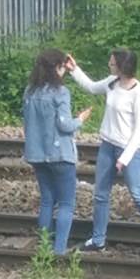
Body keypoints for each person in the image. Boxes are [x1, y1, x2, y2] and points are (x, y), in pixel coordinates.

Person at [64, 48, 140, 261]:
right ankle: (98, 239)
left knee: (138, 195)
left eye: (112, 64)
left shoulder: (139, 93)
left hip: (128, 150)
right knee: (101, 195)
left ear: (123, 67)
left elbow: (139, 131)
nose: (109, 66)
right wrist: (74, 70)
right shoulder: (112, 82)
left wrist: (124, 158)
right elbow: (92, 87)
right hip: (107, 145)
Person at [22, 49, 92, 256]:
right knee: (66, 203)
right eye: (62, 66)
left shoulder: (29, 91)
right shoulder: (60, 93)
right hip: (60, 154)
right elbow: (65, 126)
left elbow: (27, 124)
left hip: (36, 154)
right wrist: (81, 118)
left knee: (46, 200)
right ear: (57, 68)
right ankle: (59, 249)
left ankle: (44, 247)